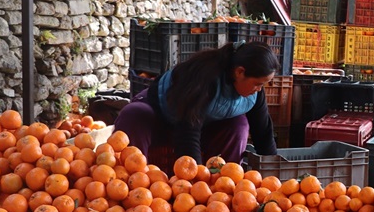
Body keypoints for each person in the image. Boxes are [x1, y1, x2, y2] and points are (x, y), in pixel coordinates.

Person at [115, 41, 280, 168]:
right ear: (240, 72)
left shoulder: (254, 92)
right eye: (258, 84)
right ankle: (132, 182)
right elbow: (187, 134)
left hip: (203, 125)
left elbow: (263, 132)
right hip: (164, 117)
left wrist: (273, 171)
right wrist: (196, 183)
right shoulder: (203, 80)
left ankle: (224, 183)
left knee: (238, 124)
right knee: (134, 114)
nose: (259, 89)